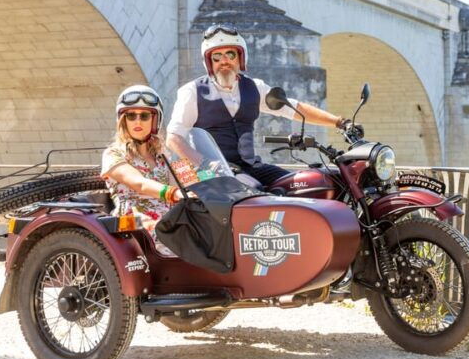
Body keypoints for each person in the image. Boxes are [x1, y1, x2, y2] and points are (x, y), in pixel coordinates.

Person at [166, 24, 353, 187]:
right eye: (217, 56)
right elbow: (174, 138)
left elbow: (294, 108)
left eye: (230, 54)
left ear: (240, 57)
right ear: (209, 61)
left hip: (251, 166)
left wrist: (339, 122)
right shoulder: (192, 91)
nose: (224, 61)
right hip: (212, 172)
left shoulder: (254, 87)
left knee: (301, 184)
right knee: (255, 192)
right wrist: (205, 163)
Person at [101, 85, 185, 250]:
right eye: (131, 115)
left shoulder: (162, 155)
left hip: (166, 217)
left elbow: (180, 182)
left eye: (144, 115)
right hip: (128, 221)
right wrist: (173, 193)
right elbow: (139, 183)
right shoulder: (113, 153)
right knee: (160, 229)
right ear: (123, 120)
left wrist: (206, 176)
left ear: (155, 120)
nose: (137, 121)